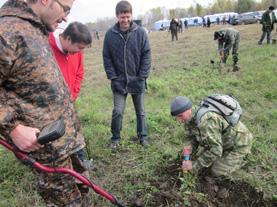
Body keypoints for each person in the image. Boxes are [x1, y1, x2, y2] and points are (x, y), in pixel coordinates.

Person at [0, 0, 94, 206]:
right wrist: (13, 128)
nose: (66, 18)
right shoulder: (6, 31)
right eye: (65, 10)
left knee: (85, 192)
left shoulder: (35, 29)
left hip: (67, 142)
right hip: (47, 152)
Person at [102, 1, 151, 150]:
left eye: (128, 17)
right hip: (119, 82)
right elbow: (107, 57)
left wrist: (142, 76)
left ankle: (142, 136)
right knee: (117, 111)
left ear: (131, 15)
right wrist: (113, 77)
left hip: (137, 80)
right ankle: (115, 138)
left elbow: (146, 55)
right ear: (117, 16)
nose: (125, 20)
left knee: (141, 111)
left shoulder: (140, 32)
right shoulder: (110, 35)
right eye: (122, 17)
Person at [49, 21, 97, 170]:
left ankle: (80, 163)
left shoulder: (77, 52)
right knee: (56, 138)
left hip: (70, 102)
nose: (80, 52)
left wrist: (74, 94)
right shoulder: (46, 48)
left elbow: (79, 72)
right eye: (80, 48)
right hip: (51, 108)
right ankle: (60, 167)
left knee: (75, 133)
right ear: (68, 39)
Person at [170, 96, 253, 177]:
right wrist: (190, 147)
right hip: (219, 142)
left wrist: (194, 165)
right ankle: (224, 155)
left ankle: (242, 158)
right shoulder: (188, 119)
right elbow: (191, 138)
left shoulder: (206, 121)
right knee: (199, 158)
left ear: (189, 109)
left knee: (216, 171)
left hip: (238, 144)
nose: (179, 120)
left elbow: (216, 151)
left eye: (180, 116)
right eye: (177, 117)